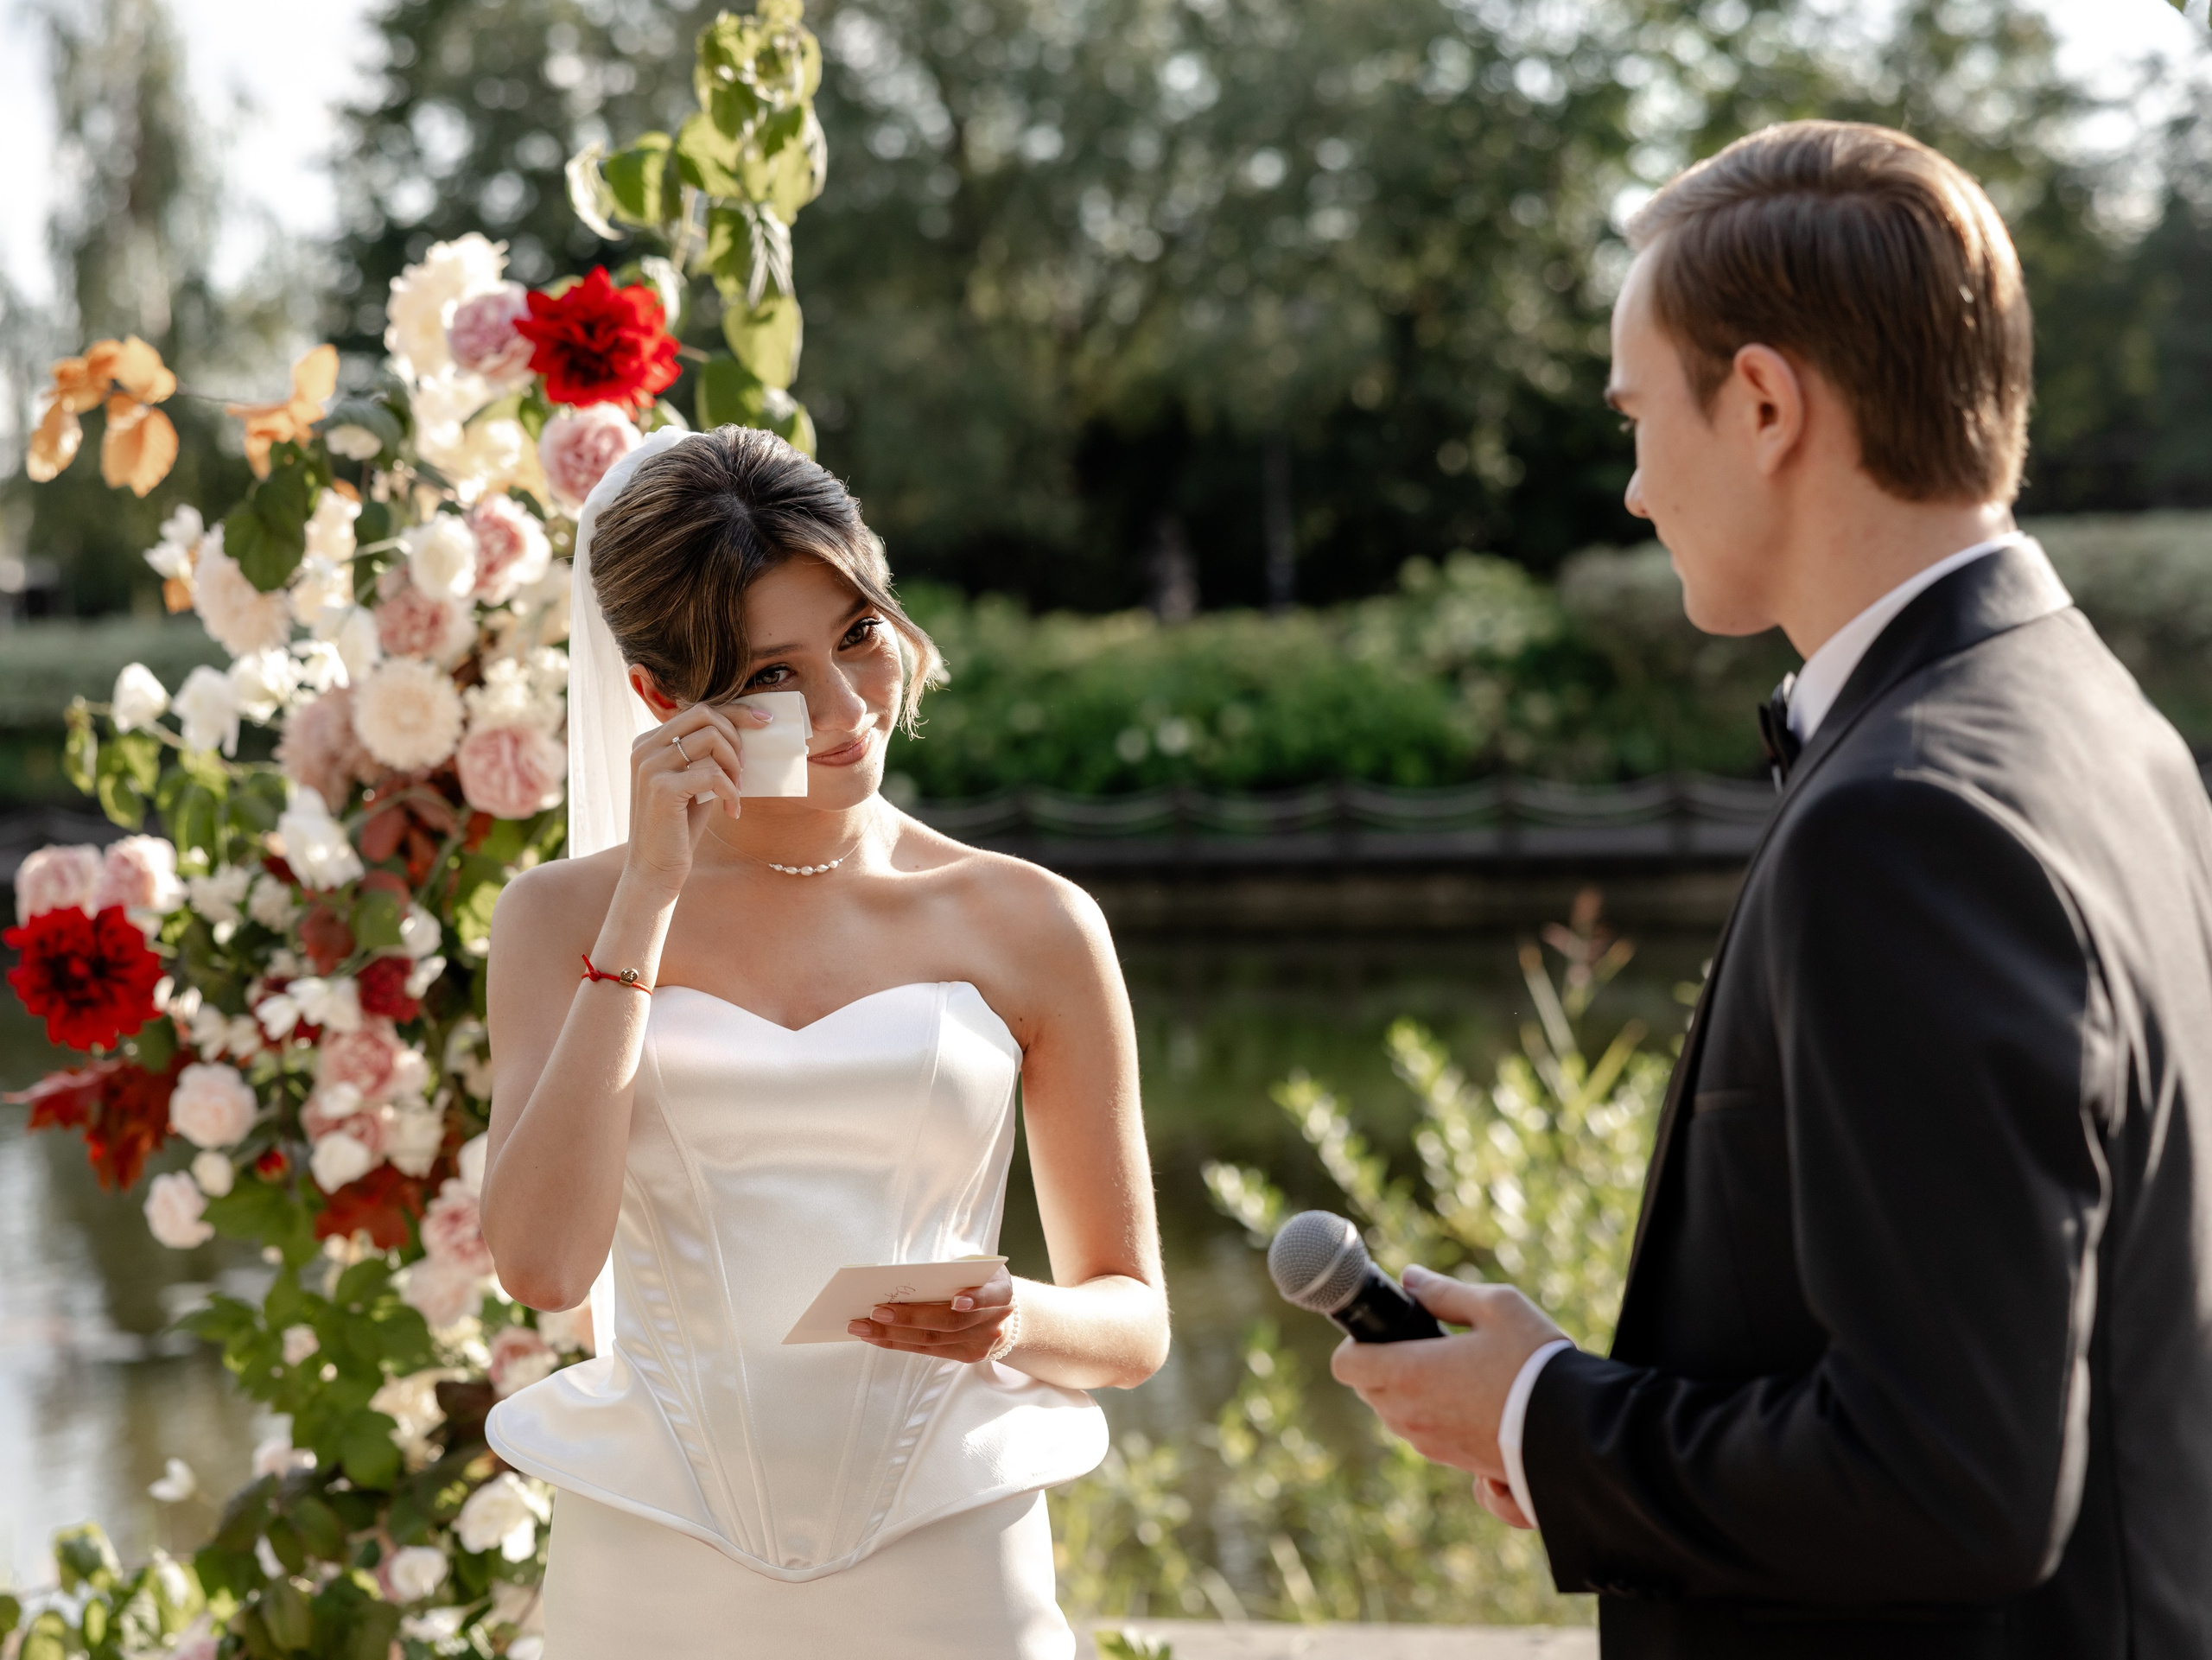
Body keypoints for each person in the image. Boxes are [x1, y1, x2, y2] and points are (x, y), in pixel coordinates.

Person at [1331, 119, 2212, 1657]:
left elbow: (1955, 1480)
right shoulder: (2109, 727)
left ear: (1760, 404)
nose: (1632, 491)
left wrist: (1548, 1420)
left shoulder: (1913, 817)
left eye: (1635, 419)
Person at [477, 425, 1169, 1657]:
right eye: (775, 675)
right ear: (659, 697)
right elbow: (542, 1265)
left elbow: (1134, 1320)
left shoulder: (1033, 923)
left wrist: (1011, 1314)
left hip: (952, 1554)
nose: (849, 709)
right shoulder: (555, 923)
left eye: (858, 636)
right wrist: (644, 896)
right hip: (651, 1567)